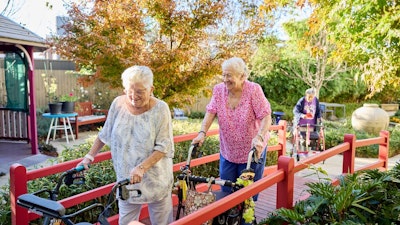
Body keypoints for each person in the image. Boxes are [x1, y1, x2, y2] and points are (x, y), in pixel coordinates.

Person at [77, 66, 174, 225]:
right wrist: (88, 157)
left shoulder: (160, 109)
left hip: (156, 179)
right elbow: (105, 134)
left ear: (151, 89)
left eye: (140, 92)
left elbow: (164, 145)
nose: (134, 96)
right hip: (126, 179)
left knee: (161, 222)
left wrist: (142, 168)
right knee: (126, 222)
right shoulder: (118, 104)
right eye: (129, 90)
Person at [192, 57, 272, 199]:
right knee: (226, 193)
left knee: (247, 197)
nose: (225, 79)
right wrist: (202, 133)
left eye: (229, 75)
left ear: (242, 76)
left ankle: (246, 220)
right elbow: (210, 112)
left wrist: (259, 137)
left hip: (252, 151)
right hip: (228, 151)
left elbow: (266, 116)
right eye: (223, 74)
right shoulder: (218, 91)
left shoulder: (254, 90)